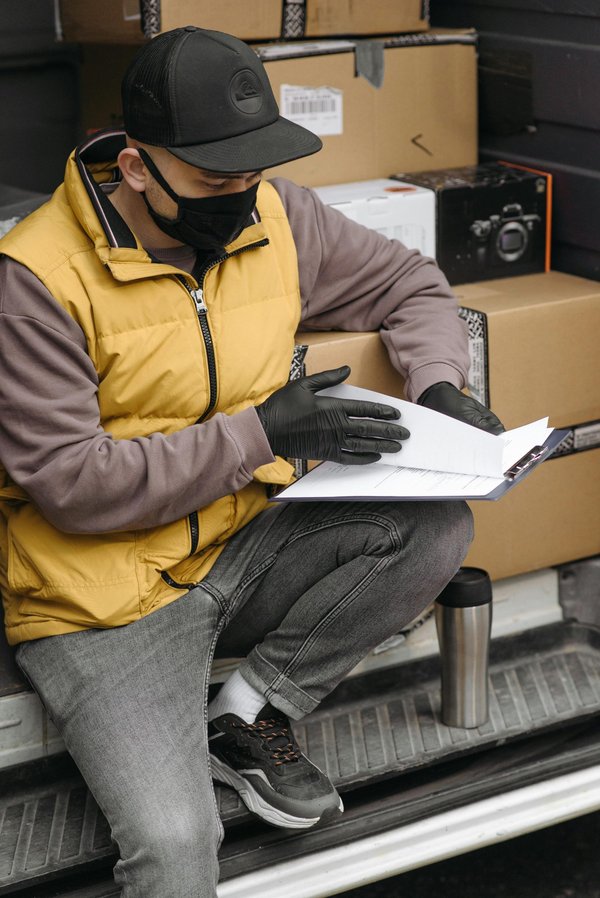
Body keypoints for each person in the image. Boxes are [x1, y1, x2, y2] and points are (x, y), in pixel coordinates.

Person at [0, 26, 503, 898]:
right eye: (212, 180)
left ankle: (249, 714)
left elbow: (409, 283)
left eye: (250, 175)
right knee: (175, 848)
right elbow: (73, 487)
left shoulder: (274, 211)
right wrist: (263, 434)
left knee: (431, 522)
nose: (237, 198)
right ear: (136, 167)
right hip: (103, 599)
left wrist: (440, 388)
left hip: (238, 545)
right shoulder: (35, 280)